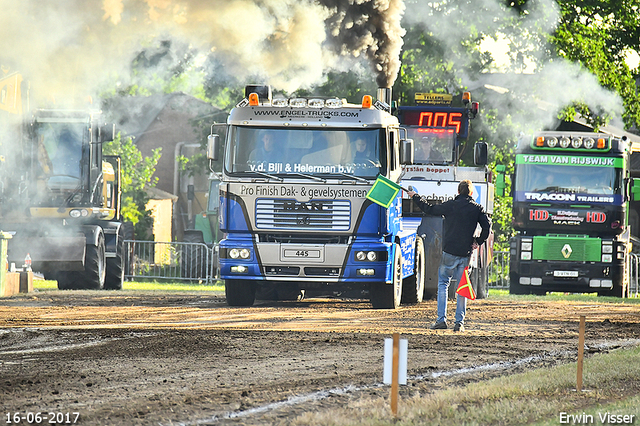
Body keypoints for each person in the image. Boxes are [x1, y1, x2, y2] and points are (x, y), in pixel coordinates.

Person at [407, 179, 491, 332]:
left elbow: (429, 209)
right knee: (462, 288)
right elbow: (487, 226)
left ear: (458, 191)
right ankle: (459, 323)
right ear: (471, 193)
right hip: (465, 253)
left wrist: (415, 196)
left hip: (448, 252)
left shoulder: (451, 205)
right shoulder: (477, 209)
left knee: (443, 285)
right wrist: (478, 241)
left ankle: (441, 320)